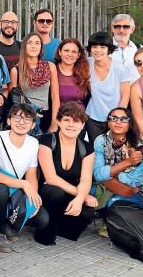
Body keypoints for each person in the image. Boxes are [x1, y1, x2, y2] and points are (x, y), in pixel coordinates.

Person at [0, 103, 48, 253]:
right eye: (17, 117)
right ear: (9, 120)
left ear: (32, 125)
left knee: (42, 219)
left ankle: (10, 223)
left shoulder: (33, 143)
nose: (21, 122)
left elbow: (31, 175)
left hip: (15, 188)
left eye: (27, 120)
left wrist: (32, 199)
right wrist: (24, 184)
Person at [34, 102, 97, 245]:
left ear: (82, 125)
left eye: (76, 121)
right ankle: (46, 229)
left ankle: (62, 228)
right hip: (47, 190)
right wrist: (83, 195)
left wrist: (80, 199)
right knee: (55, 193)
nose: (71, 125)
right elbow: (51, 178)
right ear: (59, 121)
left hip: (69, 192)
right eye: (66, 120)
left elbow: (86, 179)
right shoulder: (47, 140)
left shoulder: (87, 148)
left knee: (88, 211)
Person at [92, 107, 143, 211]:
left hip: (131, 190)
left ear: (129, 124)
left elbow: (134, 181)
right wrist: (128, 162)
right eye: (114, 118)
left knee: (113, 203)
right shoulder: (100, 141)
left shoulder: (138, 145)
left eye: (123, 119)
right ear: (108, 122)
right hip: (105, 186)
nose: (118, 122)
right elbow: (97, 175)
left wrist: (110, 173)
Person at [84, 32, 130, 143]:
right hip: (93, 118)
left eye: (102, 47)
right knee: (96, 151)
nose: (98, 50)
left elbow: (125, 95)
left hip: (114, 119)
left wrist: (117, 118)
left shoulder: (120, 67)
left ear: (109, 49)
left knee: (114, 151)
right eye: (94, 47)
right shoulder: (86, 64)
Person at [16, 32, 57, 133]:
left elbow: (55, 96)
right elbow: (14, 100)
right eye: (30, 43)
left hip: (45, 115)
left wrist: (54, 123)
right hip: (24, 117)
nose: (33, 46)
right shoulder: (17, 70)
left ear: (41, 48)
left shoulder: (50, 66)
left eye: (37, 43)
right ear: (24, 46)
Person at [49, 38, 89, 133]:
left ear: (78, 55)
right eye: (66, 50)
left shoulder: (84, 72)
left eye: (74, 52)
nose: (70, 54)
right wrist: (54, 123)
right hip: (57, 120)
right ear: (60, 52)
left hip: (77, 121)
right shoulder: (52, 69)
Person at [108, 14, 140, 82]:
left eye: (126, 27)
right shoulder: (103, 49)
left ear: (132, 29)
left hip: (135, 91)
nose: (121, 30)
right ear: (112, 28)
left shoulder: (140, 49)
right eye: (117, 26)